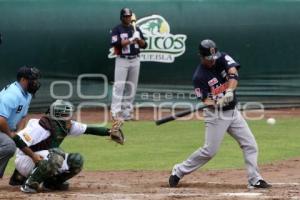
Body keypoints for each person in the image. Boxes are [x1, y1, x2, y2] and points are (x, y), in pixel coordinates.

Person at [169, 39, 271, 189]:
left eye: (213, 57)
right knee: (210, 151)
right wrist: (217, 102)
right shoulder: (199, 77)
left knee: (250, 145)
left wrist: (229, 91)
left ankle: (255, 179)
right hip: (216, 115)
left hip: (233, 112)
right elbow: (206, 100)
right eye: (208, 59)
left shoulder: (222, 58)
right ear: (201, 57)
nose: (212, 61)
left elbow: (233, 73)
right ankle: (179, 170)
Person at [9, 99, 124, 193]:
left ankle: (52, 183)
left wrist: (109, 132)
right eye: (67, 114)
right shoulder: (41, 126)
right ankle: (29, 185)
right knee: (57, 155)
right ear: (60, 115)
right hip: (25, 160)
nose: (71, 117)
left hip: (44, 159)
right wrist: (33, 156)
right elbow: (17, 139)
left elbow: (88, 129)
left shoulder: (65, 125)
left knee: (76, 160)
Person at [0, 66, 42, 179]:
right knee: (9, 146)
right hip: (1, 127)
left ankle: (20, 177)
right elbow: (1, 120)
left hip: (6, 129)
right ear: (23, 80)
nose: (35, 82)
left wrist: (20, 133)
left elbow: (23, 117)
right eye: (32, 79)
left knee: (32, 139)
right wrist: (12, 135)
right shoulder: (12, 94)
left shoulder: (27, 94)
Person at [110, 8, 147, 121]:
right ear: (121, 17)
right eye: (126, 16)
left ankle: (127, 113)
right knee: (119, 86)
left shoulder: (136, 29)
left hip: (135, 59)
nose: (128, 18)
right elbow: (115, 43)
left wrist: (138, 38)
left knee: (131, 87)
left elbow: (144, 45)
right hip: (122, 60)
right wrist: (131, 39)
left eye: (129, 16)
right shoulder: (117, 29)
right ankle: (115, 112)